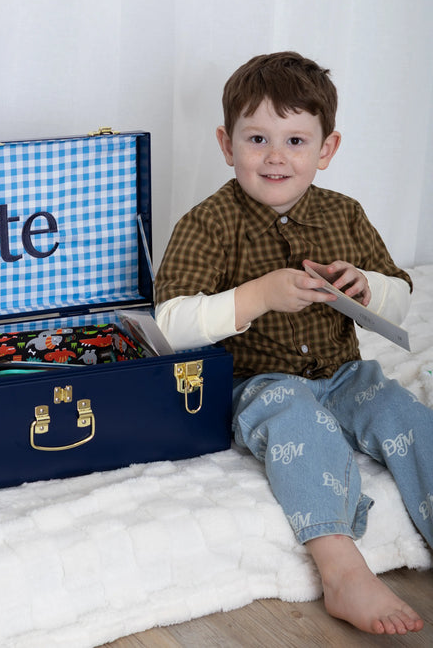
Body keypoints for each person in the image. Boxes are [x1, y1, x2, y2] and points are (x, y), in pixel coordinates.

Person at [155, 51, 432, 636]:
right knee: (299, 426)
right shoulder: (208, 223)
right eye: (257, 139)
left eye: (296, 141)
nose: (275, 156)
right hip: (258, 381)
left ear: (326, 149)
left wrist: (367, 286)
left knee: (406, 415)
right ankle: (342, 570)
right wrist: (257, 295)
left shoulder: (344, 214)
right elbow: (171, 322)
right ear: (227, 145)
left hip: (345, 373)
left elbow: (401, 297)